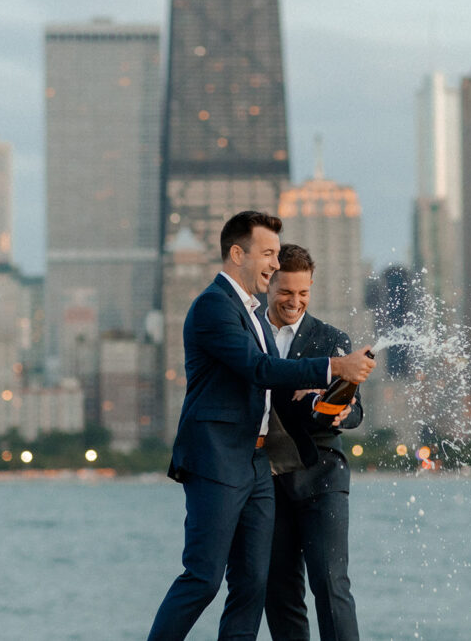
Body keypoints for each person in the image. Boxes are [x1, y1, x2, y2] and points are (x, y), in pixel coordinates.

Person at [148, 211, 375, 641]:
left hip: (264, 467)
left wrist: (326, 403)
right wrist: (331, 369)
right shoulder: (215, 306)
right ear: (238, 254)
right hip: (219, 459)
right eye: (267, 254)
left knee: (252, 585)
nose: (273, 264)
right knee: (205, 579)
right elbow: (260, 369)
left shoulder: (251, 312)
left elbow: (276, 392)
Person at [260, 244, 362, 641]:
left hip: (323, 476)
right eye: (287, 292)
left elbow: (356, 412)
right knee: (280, 592)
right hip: (267, 480)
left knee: (331, 585)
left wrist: (340, 411)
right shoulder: (248, 333)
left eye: (304, 293)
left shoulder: (332, 338)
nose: (295, 302)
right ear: (268, 283)